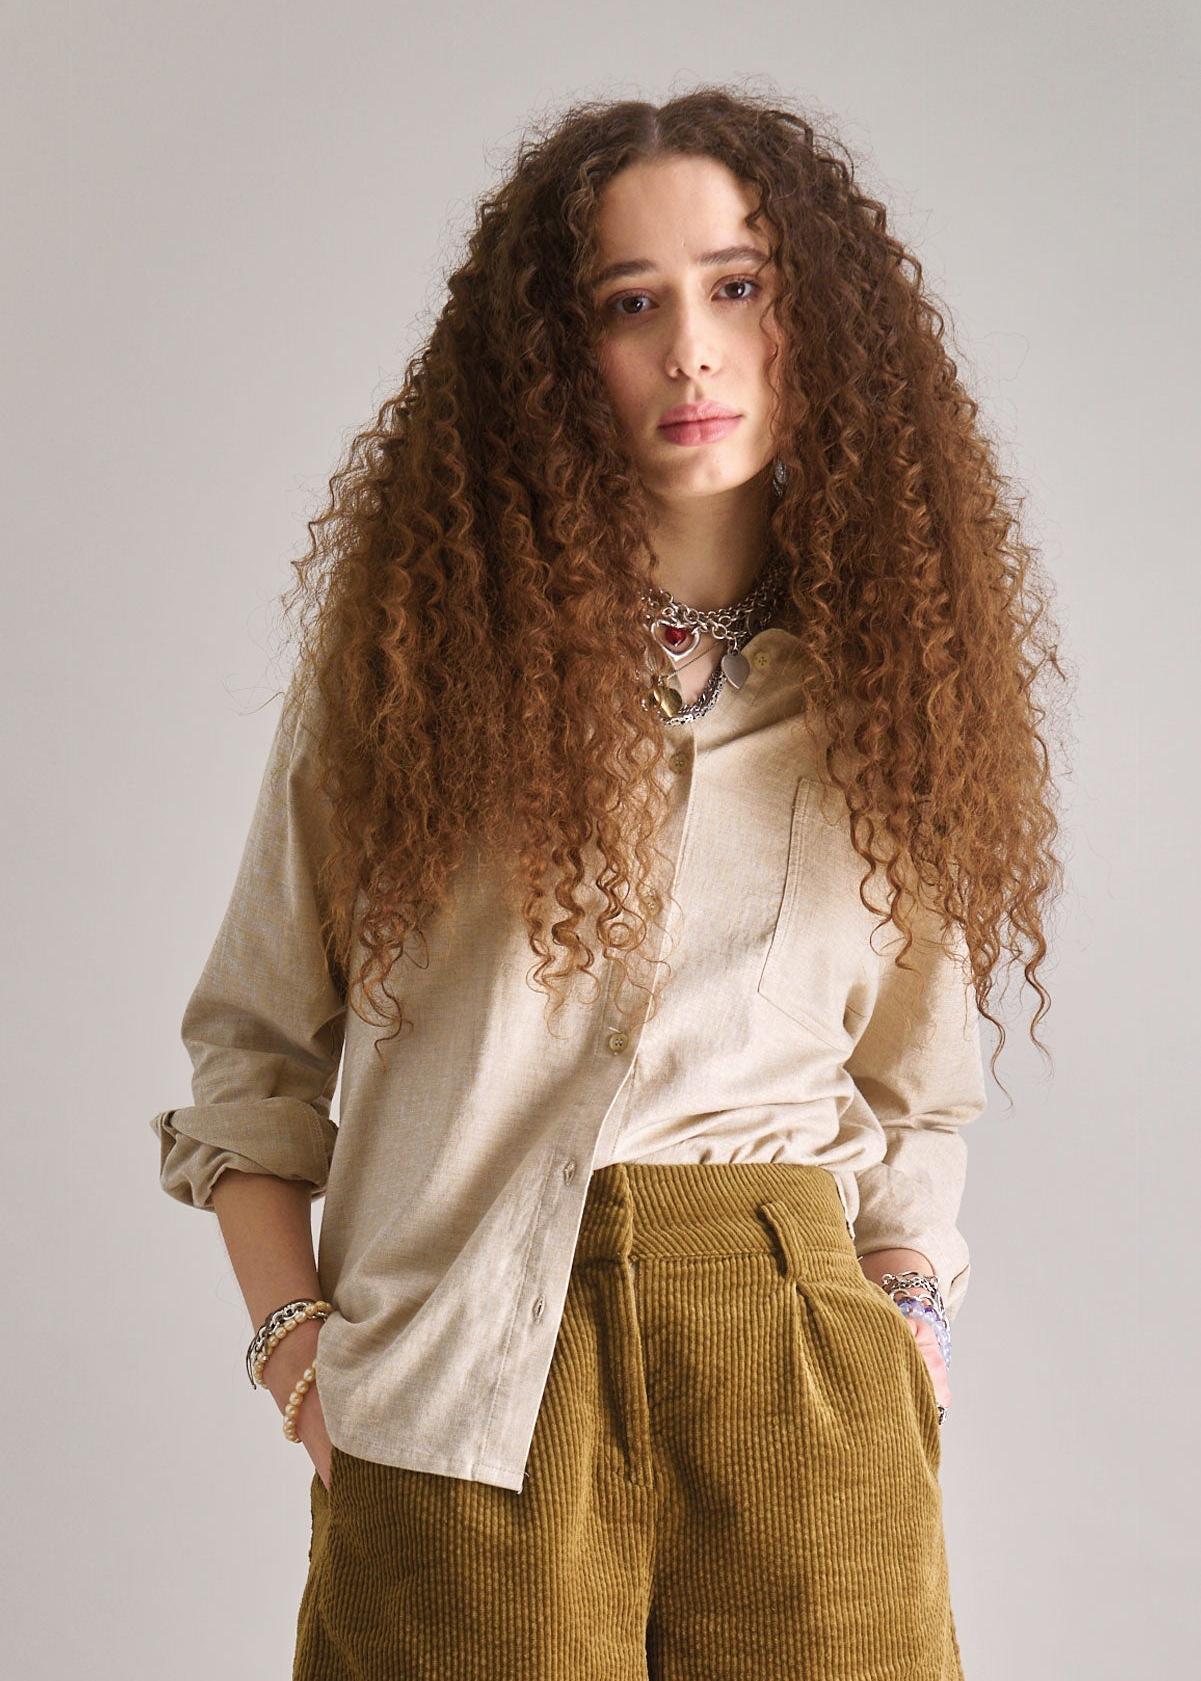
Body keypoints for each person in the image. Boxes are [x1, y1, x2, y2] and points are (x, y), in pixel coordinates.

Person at [150, 85, 1064, 1680]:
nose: (690, 351)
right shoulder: (415, 670)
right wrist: (301, 1350)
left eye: (736, 286)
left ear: (811, 318)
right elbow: (252, 1051)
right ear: (555, 358)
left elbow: (917, 1091)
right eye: (629, 306)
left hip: (795, 1361)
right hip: (466, 1371)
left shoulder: (892, 683)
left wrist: (905, 1324)